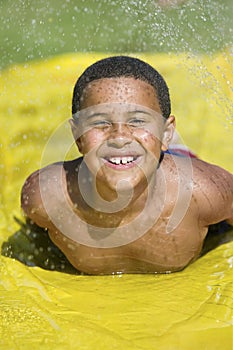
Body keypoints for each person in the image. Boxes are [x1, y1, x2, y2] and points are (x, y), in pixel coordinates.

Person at [21, 56, 233, 275]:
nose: (120, 137)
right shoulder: (48, 196)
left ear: (166, 132)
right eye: (100, 122)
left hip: (175, 161)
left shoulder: (203, 193)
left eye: (137, 120)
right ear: (78, 136)